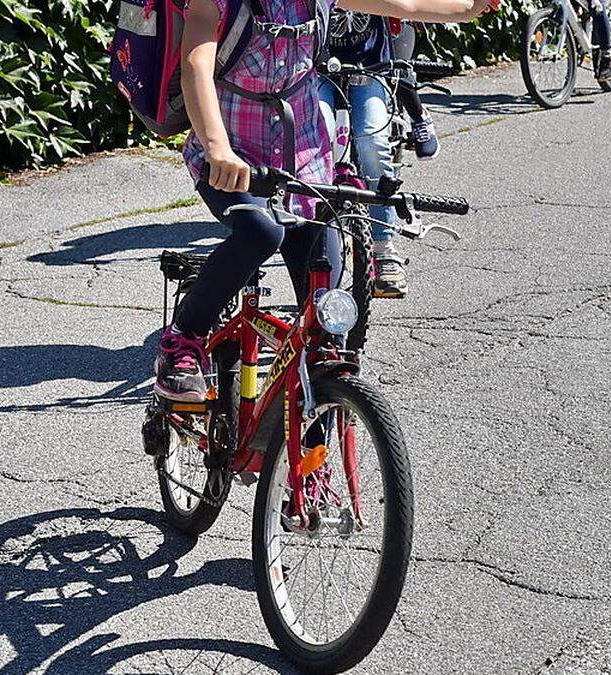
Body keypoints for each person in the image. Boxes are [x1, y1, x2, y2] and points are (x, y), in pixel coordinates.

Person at [154, 0, 500, 402]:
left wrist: (468, 8)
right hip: (234, 158)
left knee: (326, 324)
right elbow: (196, 64)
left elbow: (405, 3)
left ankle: (308, 449)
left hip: (305, 161)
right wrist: (218, 149)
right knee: (261, 232)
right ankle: (182, 341)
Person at [317, 13, 435, 298]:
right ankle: (313, 247)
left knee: (372, 141)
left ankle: (383, 247)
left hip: (369, 65)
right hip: (316, 69)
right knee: (317, 142)